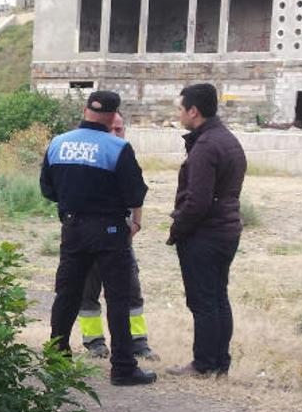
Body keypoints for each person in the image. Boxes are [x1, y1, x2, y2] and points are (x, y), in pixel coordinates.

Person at [40, 90, 156, 386]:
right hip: (109, 231)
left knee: (67, 294)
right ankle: (123, 367)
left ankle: (57, 356)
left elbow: (48, 190)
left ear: (85, 110)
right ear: (113, 116)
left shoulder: (58, 144)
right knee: (118, 298)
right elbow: (134, 193)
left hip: (73, 229)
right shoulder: (117, 148)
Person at [166, 84, 247, 378]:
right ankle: (219, 363)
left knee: (203, 300)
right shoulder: (226, 139)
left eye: (179, 108)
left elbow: (197, 201)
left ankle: (203, 364)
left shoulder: (206, 146)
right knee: (217, 297)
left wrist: (177, 229)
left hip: (206, 233)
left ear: (193, 111)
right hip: (226, 230)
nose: (178, 114)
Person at [77, 112, 158, 361]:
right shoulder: (88, 159)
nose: (116, 134)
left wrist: (136, 223)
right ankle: (94, 342)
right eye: (112, 128)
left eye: (120, 129)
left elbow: (137, 193)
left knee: (131, 290)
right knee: (88, 289)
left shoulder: (125, 156)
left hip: (119, 235)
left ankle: (138, 342)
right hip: (89, 234)